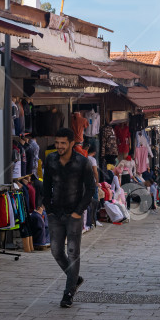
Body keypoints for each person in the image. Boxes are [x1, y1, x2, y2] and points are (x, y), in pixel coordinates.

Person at [43, 127, 96, 308]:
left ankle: (68, 293)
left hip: (73, 214)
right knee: (56, 251)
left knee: (73, 252)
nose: (59, 146)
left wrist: (78, 211)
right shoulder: (50, 160)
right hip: (55, 214)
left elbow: (90, 189)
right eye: (57, 143)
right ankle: (75, 279)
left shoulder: (83, 162)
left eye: (63, 143)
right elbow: (46, 185)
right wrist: (48, 208)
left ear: (72, 143)